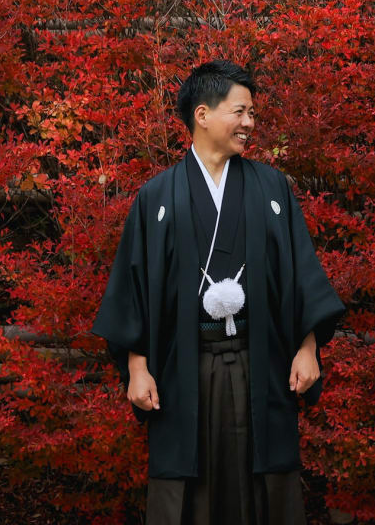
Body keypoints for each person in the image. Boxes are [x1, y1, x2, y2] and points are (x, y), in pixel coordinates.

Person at [94, 60, 345, 525]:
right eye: (240, 111)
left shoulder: (272, 188)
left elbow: (301, 272)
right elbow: (132, 290)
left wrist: (308, 347)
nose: (249, 123)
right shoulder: (157, 197)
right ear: (203, 115)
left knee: (265, 483)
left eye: (252, 113)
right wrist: (136, 366)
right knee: (187, 490)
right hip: (182, 368)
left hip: (261, 359)